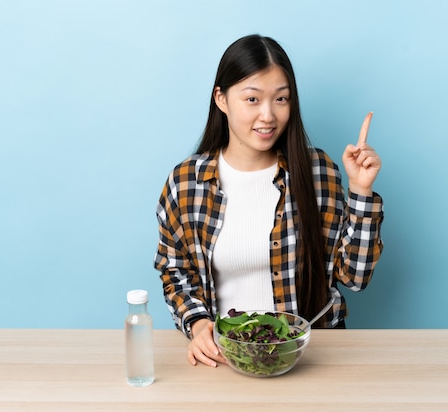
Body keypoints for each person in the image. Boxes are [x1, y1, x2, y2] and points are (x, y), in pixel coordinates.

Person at [154, 34, 384, 368]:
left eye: (280, 99)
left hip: (311, 358)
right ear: (221, 99)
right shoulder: (186, 182)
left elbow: (355, 277)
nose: (268, 116)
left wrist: (361, 192)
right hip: (226, 359)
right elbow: (175, 271)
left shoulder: (317, 171)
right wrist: (198, 323)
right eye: (252, 99)